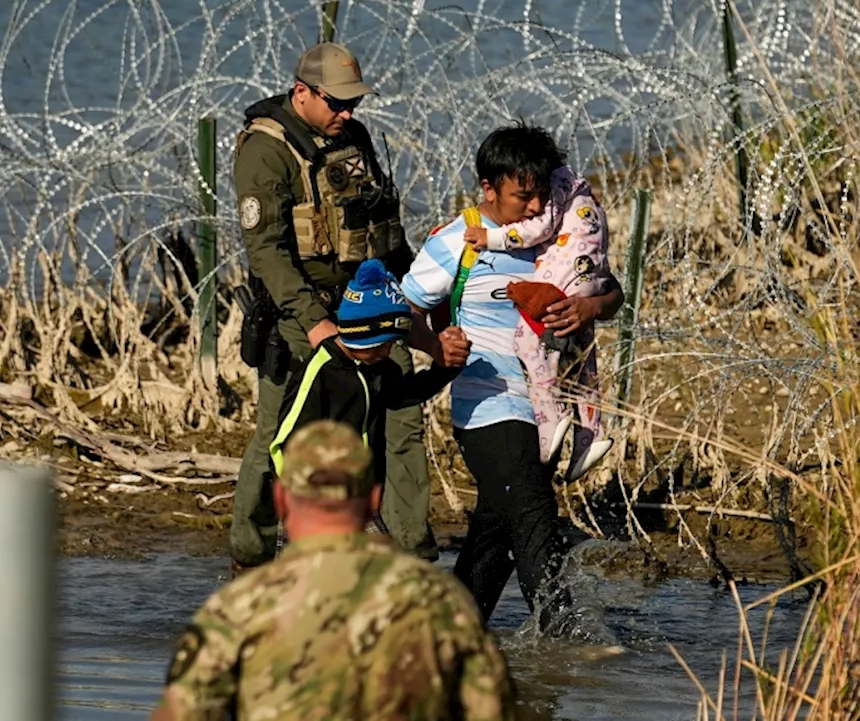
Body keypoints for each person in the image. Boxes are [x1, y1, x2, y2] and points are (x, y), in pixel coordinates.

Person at [230, 41, 470, 573]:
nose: (347, 113)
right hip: (301, 315)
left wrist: (419, 292)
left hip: (372, 302)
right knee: (282, 431)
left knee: (402, 415)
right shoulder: (265, 150)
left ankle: (412, 550)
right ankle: (251, 551)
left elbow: (380, 225)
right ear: (302, 93)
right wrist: (314, 324)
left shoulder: (352, 137)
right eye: (337, 103)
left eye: (353, 103)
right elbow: (266, 252)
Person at [398, 122, 624, 633]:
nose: (532, 207)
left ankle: (448, 634)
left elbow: (612, 293)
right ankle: (565, 634)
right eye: (522, 195)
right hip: (487, 400)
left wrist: (589, 307)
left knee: (497, 526)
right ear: (489, 189)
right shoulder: (457, 241)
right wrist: (434, 345)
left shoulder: (558, 230)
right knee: (531, 505)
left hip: (549, 406)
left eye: (542, 193)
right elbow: (400, 310)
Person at [151, 420, 521, 721]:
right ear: (374, 500)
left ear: (281, 498)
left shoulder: (238, 607)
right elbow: (493, 709)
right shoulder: (443, 602)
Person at [268, 259, 466, 549]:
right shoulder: (320, 372)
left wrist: (446, 369)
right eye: (386, 344)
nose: (390, 351)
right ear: (363, 335)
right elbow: (282, 444)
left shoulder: (376, 367)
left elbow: (403, 395)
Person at [461, 164, 614, 479]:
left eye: (536, 194)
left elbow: (537, 229)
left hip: (563, 284)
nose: (534, 203)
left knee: (529, 342)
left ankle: (551, 415)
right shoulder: (582, 192)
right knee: (581, 363)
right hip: (589, 280)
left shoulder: (555, 187)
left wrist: (489, 237)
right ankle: (591, 433)